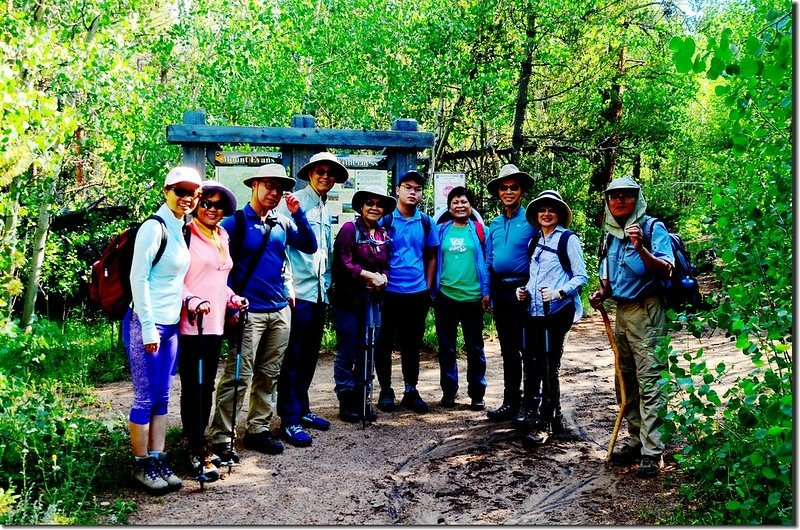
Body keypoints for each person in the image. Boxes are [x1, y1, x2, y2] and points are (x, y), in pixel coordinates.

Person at [208, 164, 317, 461]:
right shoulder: (235, 223)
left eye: (279, 188)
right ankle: (222, 437)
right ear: (253, 185)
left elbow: (309, 245)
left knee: (269, 374)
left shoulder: (283, 222)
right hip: (248, 312)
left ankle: (258, 429)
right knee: (238, 376)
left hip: (280, 309)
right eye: (268, 185)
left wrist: (298, 213)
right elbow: (220, 268)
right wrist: (230, 302)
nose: (274, 193)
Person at [589, 176, 674, 478]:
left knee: (650, 379)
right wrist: (601, 294)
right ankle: (636, 440)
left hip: (648, 310)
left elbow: (666, 267)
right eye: (615, 196)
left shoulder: (652, 228)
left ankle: (653, 451)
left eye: (627, 195)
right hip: (622, 313)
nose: (620, 200)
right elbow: (608, 280)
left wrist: (640, 248)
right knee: (625, 380)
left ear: (637, 198)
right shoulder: (610, 234)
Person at [124, 166, 201, 494]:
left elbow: (172, 280)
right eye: (180, 191)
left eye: (193, 194)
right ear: (166, 191)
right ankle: (141, 465)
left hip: (171, 324)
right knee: (145, 396)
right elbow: (137, 279)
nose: (187, 198)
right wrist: (150, 329)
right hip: (147, 324)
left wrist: (192, 299)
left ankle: (157, 458)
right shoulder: (153, 228)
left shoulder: (181, 227)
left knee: (163, 396)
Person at [275, 152, 348, 447]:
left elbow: (323, 253)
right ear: (309, 174)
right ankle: (289, 419)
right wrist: (286, 285)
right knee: (292, 358)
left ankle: (303, 409)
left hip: (319, 293)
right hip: (298, 294)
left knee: (308, 357)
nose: (326, 177)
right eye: (320, 171)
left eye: (331, 173)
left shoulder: (323, 205)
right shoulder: (292, 204)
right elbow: (280, 247)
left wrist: (328, 284)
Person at [177, 181, 248, 482]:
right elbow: (173, 278)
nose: (212, 209)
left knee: (206, 389)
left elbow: (219, 279)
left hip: (216, 322)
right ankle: (195, 448)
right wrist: (191, 298)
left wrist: (233, 297)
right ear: (196, 204)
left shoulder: (223, 235)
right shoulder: (185, 234)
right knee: (195, 388)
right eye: (206, 203)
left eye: (218, 205)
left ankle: (200, 441)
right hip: (191, 323)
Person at [515, 190, 588, 447]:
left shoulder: (568, 240)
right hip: (534, 310)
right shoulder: (534, 240)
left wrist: (560, 292)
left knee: (549, 364)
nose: (546, 214)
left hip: (557, 312)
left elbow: (581, 276)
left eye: (552, 210)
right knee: (532, 362)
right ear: (536, 214)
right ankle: (547, 414)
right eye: (542, 210)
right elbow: (533, 276)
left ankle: (545, 422)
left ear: (559, 214)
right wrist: (522, 289)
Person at [374, 170, 439, 414]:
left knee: (412, 343)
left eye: (418, 188)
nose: (413, 192)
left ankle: (411, 390)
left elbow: (431, 255)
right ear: (398, 190)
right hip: (389, 291)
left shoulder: (425, 222)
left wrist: (429, 288)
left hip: (417, 292)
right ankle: (386, 390)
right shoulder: (386, 220)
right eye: (408, 187)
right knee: (384, 341)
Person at [331, 190, 396, 423]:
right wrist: (367, 276)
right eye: (369, 203)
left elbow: (387, 264)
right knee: (347, 349)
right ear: (361, 206)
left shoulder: (383, 234)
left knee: (367, 347)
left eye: (379, 205)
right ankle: (346, 399)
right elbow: (343, 263)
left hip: (374, 301)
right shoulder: (350, 229)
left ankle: (363, 397)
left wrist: (383, 279)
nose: (374, 207)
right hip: (349, 301)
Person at [484, 164, 536, 422]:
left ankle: (530, 403)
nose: (508, 192)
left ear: (521, 190)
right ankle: (510, 401)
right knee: (508, 350)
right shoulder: (494, 223)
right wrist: (487, 292)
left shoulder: (531, 221)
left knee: (528, 348)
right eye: (503, 188)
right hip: (500, 289)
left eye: (513, 187)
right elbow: (488, 259)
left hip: (524, 289)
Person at [432, 186, 490, 410]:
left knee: (475, 348)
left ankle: (477, 394)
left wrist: (487, 292)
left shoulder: (479, 230)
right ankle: (449, 392)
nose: (460, 205)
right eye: (455, 202)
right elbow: (432, 258)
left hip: (473, 298)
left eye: (464, 201)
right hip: (445, 297)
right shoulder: (441, 231)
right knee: (446, 347)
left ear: (471, 206)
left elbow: (489, 261)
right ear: (449, 207)